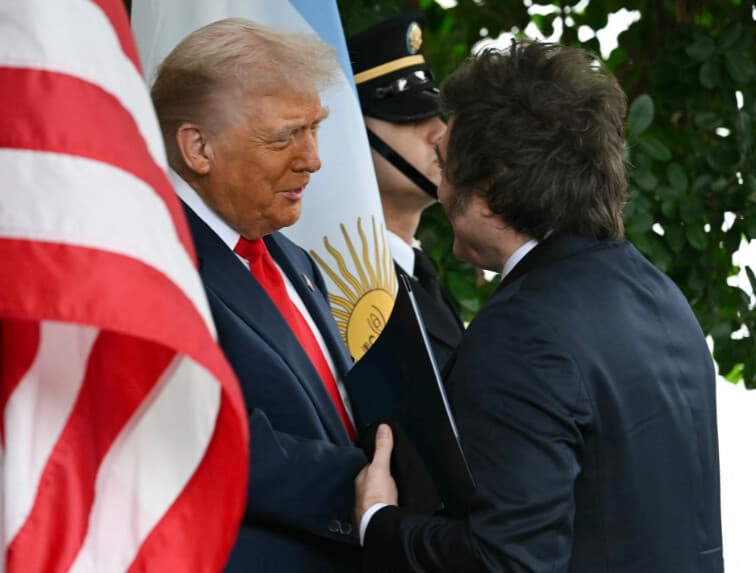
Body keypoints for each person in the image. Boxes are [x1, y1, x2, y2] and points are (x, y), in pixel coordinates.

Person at [354, 41, 723, 572]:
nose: (441, 186)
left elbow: (507, 562)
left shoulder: (523, 331)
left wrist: (380, 522)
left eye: (447, 167)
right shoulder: (657, 293)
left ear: (492, 195)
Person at [150, 18, 367, 572]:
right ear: (197, 147)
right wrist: (378, 488)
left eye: (315, 128)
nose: (313, 158)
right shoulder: (153, 261)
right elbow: (205, 439)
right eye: (284, 136)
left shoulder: (292, 258)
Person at [347, 15, 463, 369]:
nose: (440, 133)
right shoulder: (345, 282)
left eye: (436, 115)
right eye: (409, 118)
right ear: (352, 135)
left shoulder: (420, 273)